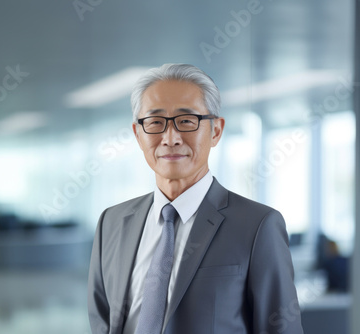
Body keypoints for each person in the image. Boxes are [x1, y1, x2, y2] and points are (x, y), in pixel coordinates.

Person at [87, 64, 303, 334]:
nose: (170, 138)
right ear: (138, 135)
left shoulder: (258, 226)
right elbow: (102, 323)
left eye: (187, 121)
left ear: (215, 131)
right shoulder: (112, 222)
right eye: (155, 122)